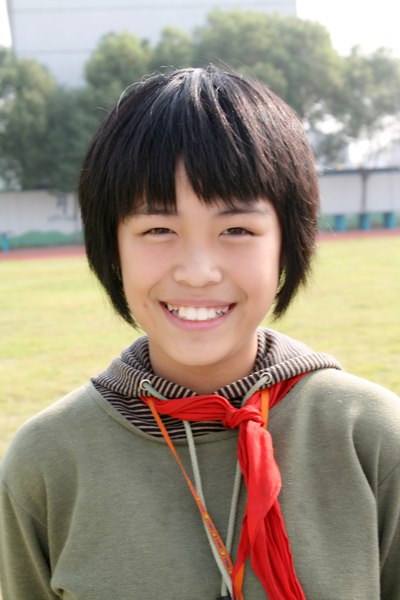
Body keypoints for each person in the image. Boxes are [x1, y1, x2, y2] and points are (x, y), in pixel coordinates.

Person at [1, 66, 399, 600]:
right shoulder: (46, 462)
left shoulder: (372, 437)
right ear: (111, 247)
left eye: (236, 229)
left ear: (287, 242)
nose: (197, 272)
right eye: (157, 229)